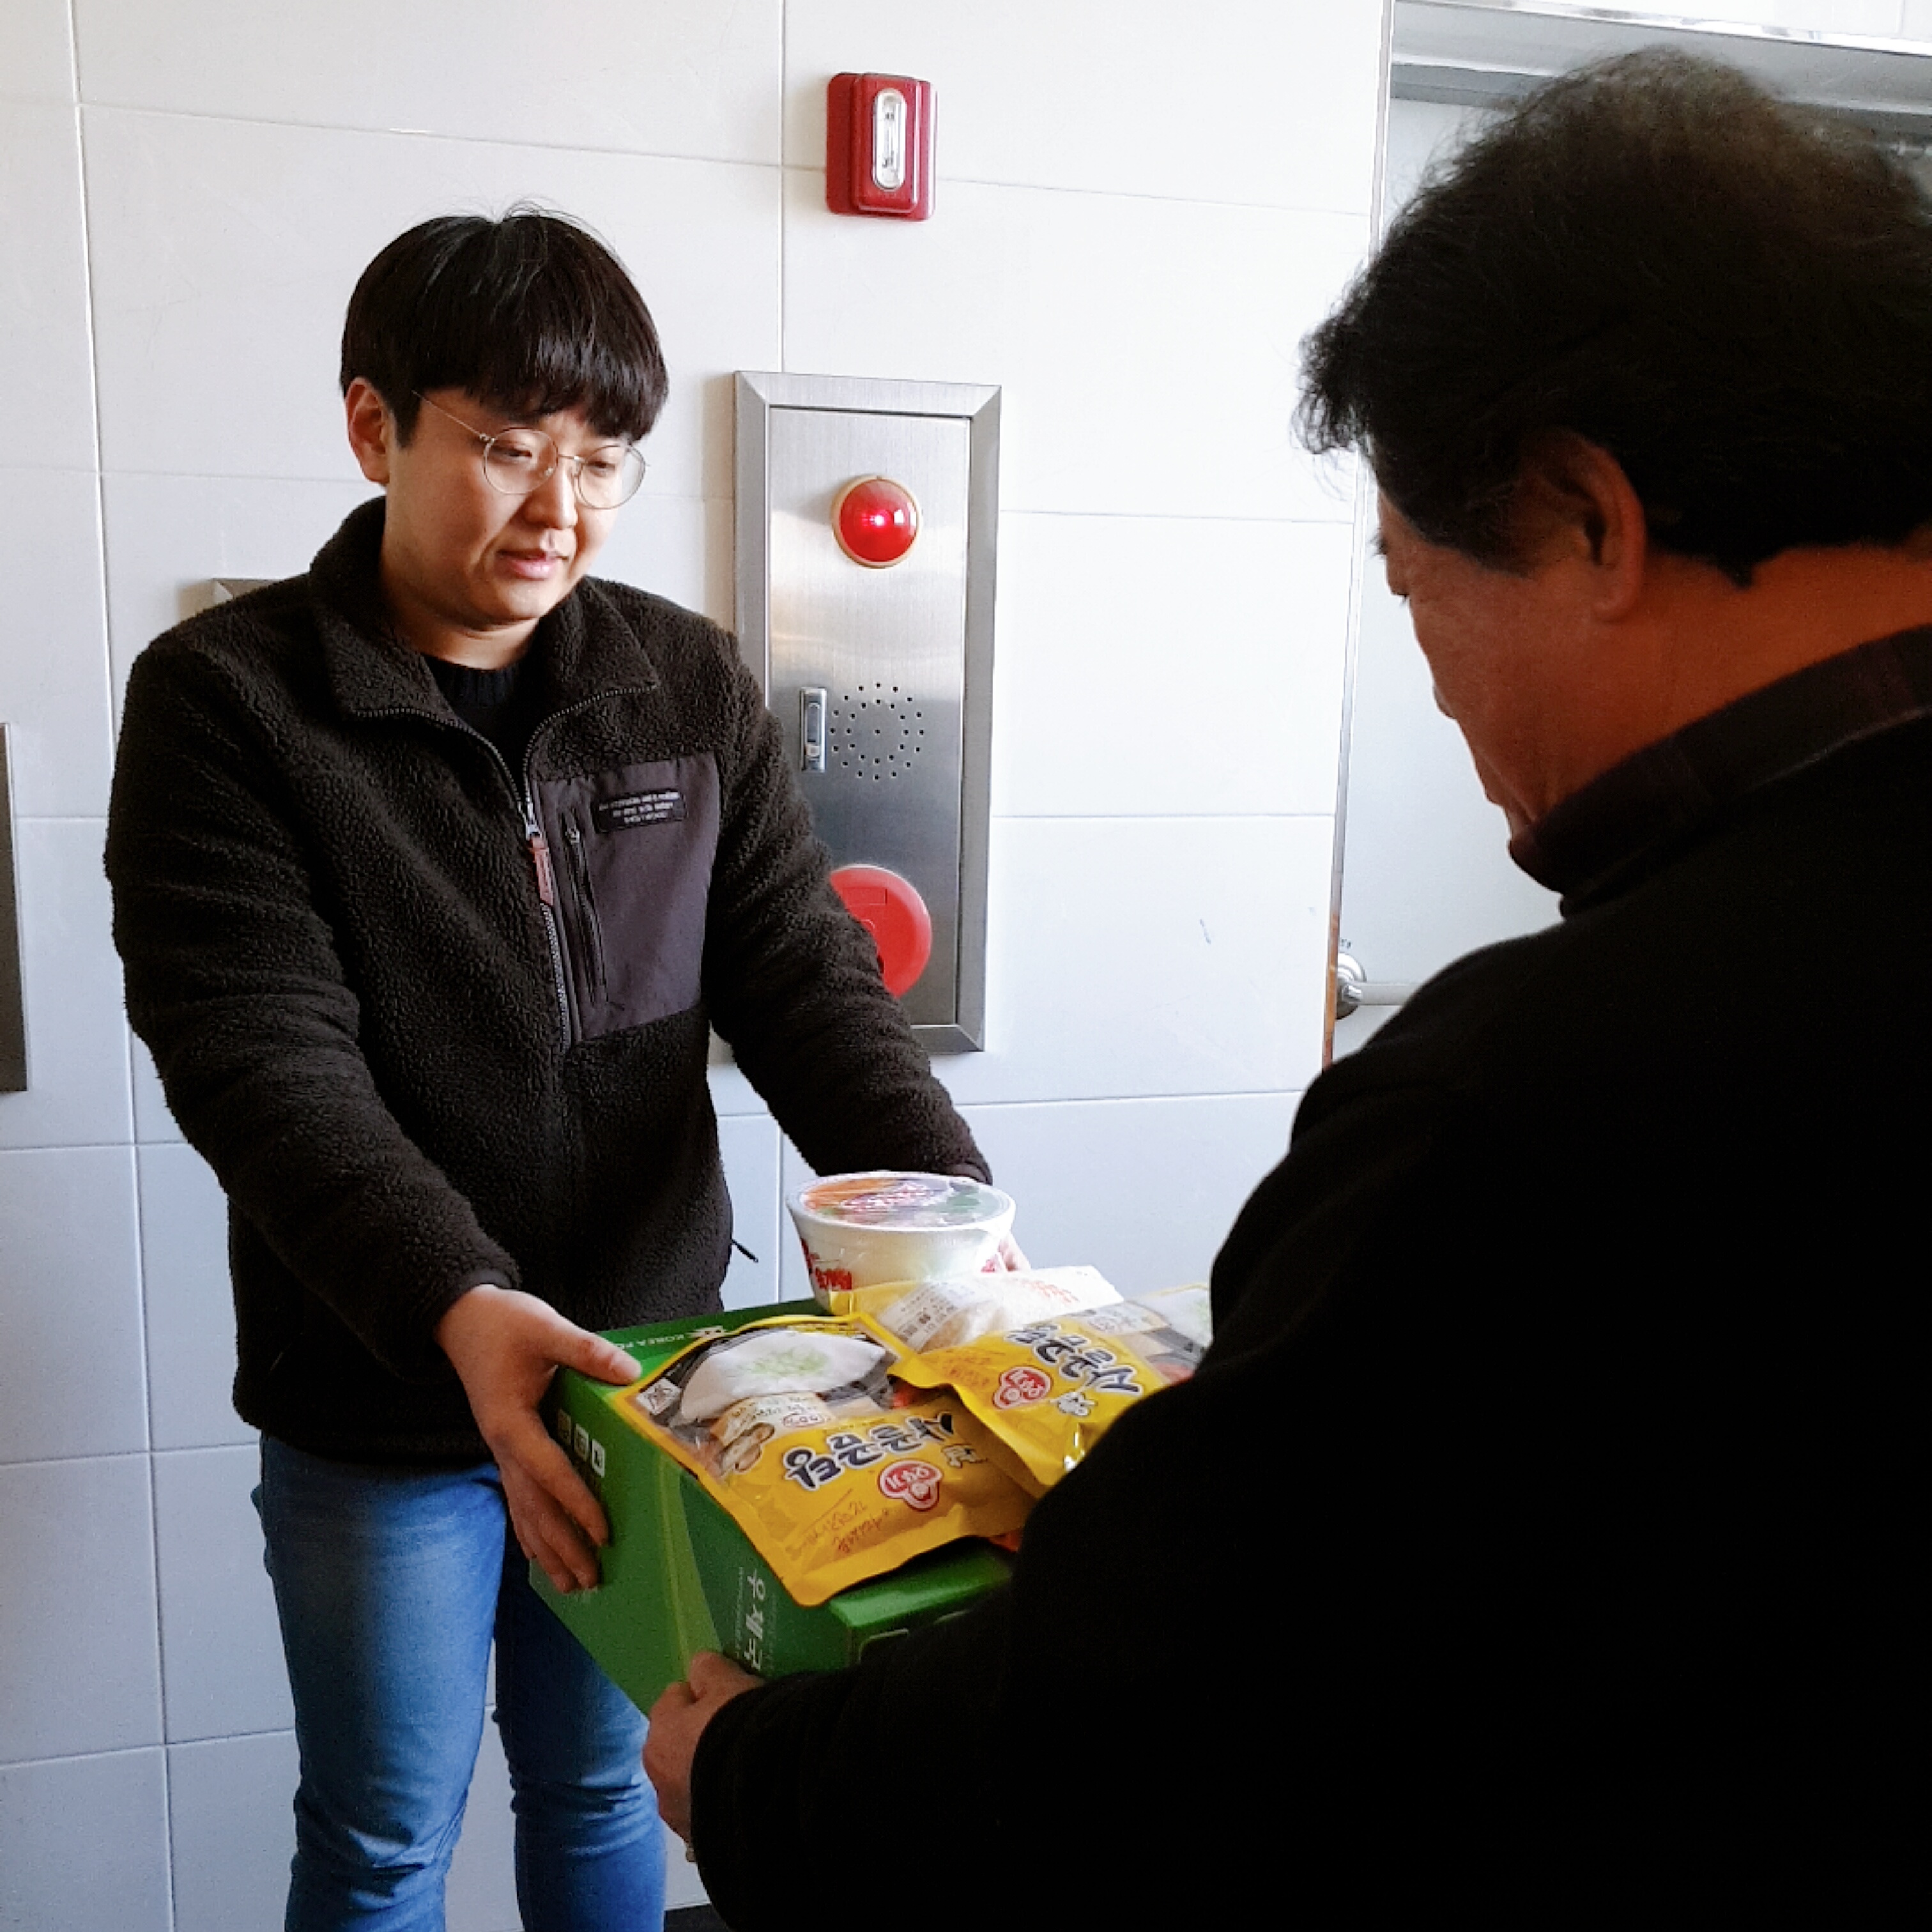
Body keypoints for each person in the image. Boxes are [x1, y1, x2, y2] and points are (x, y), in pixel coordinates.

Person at [644, 52, 1928, 1923]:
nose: (1433, 687)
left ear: (1588, 514)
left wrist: (751, 1776)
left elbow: (1148, 1736)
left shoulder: (1544, 1096)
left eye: (1413, 592)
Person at [105, 208, 993, 1931]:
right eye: (505, 448)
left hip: (647, 1378)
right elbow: (259, 1054)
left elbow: (806, 984)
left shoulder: (680, 682)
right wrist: (456, 1300)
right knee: (381, 1836)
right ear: (376, 428)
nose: (558, 507)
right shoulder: (232, 700)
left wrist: (946, 1217)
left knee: (609, 1789)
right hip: (389, 1389)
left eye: (604, 458)